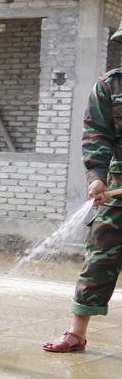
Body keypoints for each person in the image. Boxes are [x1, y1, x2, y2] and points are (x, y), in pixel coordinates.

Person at [44, 27, 122, 353]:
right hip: (118, 183)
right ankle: (76, 333)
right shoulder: (110, 86)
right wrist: (96, 176)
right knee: (99, 257)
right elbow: (97, 134)